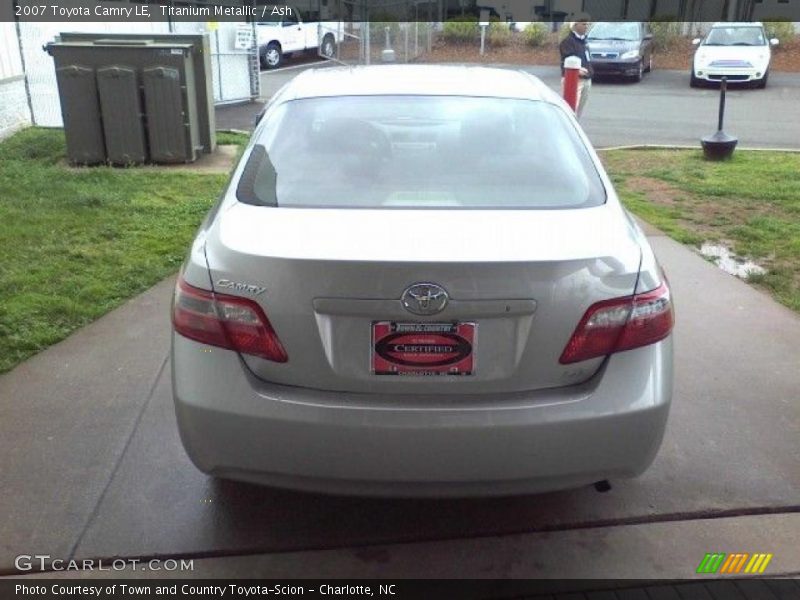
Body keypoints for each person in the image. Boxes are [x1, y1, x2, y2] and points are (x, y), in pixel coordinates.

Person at [559, 16, 594, 119]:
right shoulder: (567, 42)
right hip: (575, 81)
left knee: (579, 112)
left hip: (587, 79)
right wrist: (577, 70)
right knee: (570, 110)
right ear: (575, 25)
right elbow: (567, 61)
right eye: (583, 24)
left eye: (587, 24)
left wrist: (590, 71)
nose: (586, 27)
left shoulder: (585, 41)